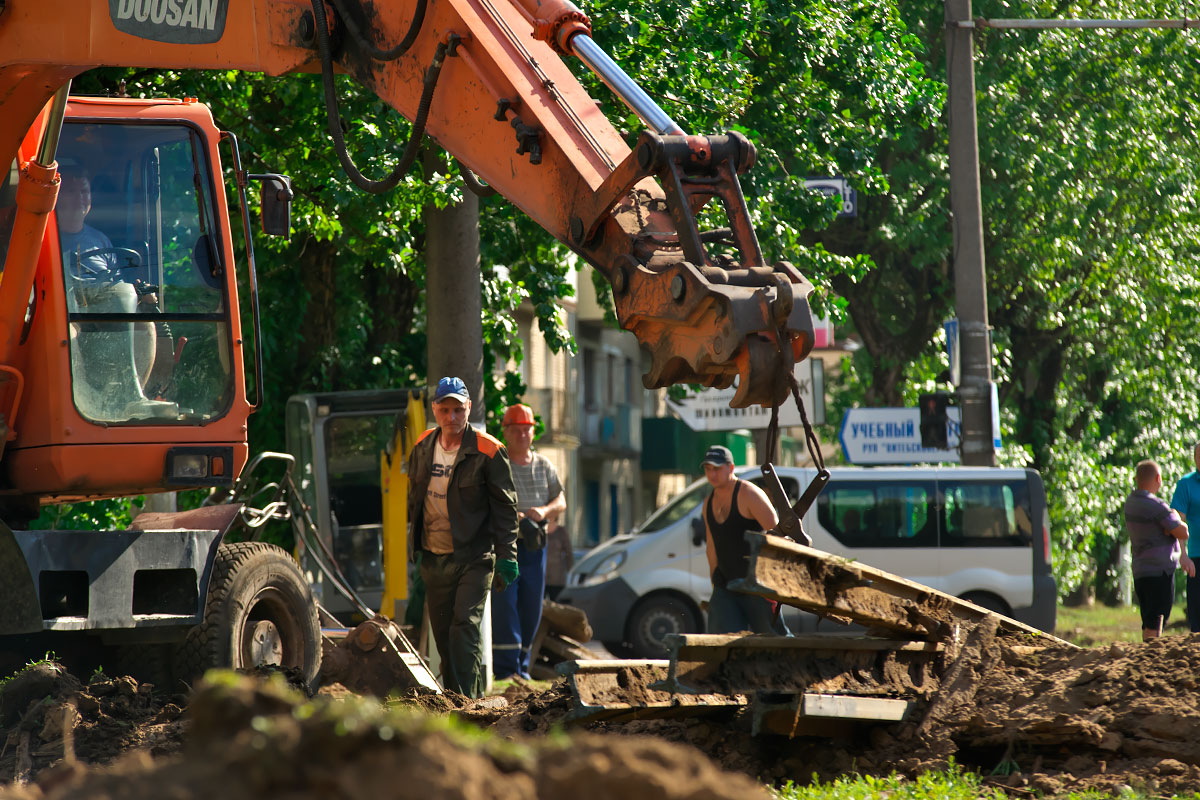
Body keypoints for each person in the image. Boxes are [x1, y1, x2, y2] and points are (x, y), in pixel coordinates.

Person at [407, 377, 519, 697]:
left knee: (464, 628)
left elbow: (506, 509)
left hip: (474, 556)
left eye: (458, 409)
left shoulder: (489, 450)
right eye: (445, 410)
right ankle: (454, 702)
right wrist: (414, 550)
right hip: (433, 556)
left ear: (469, 408)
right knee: (443, 637)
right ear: (435, 410)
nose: (452, 417)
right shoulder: (422, 445)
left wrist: (508, 557)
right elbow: (414, 500)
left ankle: (470, 704)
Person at [56, 163, 169, 420]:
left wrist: (139, 295)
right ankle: (85, 404)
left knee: (144, 325)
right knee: (65, 334)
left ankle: (130, 397)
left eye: (84, 191)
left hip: (104, 310)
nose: (80, 198)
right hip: (66, 310)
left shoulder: (99, 239)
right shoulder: (43, 235)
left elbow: (115, 286)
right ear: (57, 195)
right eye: (71, 191)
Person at [491, 403, 566, 679]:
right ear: (506, 432)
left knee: (531, 606)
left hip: (536, 548)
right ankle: (505, 668)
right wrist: (515, 515)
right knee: (505, 603)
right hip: (507, 546)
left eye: (527, 430)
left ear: (533, 432)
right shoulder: (499, 464)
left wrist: (543, 511)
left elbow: (561, 500)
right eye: (517, 430)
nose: (523, 435)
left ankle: (521, 667)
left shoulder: (544, 465)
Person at [701, 445, 789, 635]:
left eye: (717, 468)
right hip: (726, 586)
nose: (712, 474)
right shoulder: (708, 503)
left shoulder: (749, 494)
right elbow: (711, 546)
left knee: (775, 640)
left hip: (757, 585)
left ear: (731, 468)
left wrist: (775, 580)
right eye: (708, 469)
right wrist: (715, 579)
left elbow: (779, 536)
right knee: (721, 643)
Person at [1124, 459, 1193, 641]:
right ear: (1158, 478)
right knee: (1157, 620)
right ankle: (1150, 658)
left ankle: (1146, 654)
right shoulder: (1156, 505)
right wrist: (1175, 516)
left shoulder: (1130, 503)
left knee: (1148, 620)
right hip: (1159, 571)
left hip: (1140, 569)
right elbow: (1182, 531)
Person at [1170, 442, 1200, 632]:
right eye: (1199, 456)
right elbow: (1177, 521)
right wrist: (1183, 554)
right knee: (1197, 617)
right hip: (1196, 558)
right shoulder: (1186, 484)